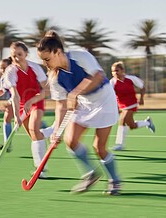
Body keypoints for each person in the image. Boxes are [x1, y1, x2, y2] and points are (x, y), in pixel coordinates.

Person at [37, 30, 121, 195]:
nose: (46, 64)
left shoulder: (80, 56)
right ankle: (91, 174)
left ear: (58, 52)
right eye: (43, 61)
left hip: (104, 100)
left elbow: (97, 76)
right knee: (70, 140)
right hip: (83, 104)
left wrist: (74, 94)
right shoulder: (54, 78)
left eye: (47, 59)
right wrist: (56, 130)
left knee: (99, 147)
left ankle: (114, 180)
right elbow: (61, 105)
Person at [3, 41, 50, 178]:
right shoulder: (10, 71)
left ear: (26, 54)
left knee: (34, 130)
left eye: (20, 54)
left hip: (36, 100)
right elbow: (15, 95)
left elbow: (46, 90)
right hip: (22, 104)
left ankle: (41, 170)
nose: (17, 58)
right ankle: (50, 133)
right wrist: (17, 116)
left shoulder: (35, 67)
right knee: (35, 136)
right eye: (13, 56)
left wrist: (32, 100)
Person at [110, 61, 155, 151]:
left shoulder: (131, 79)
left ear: (122, 70)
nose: (115, 73)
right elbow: (110, 95)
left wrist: (141, 98)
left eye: (117, 70)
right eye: (113, 71)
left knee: (122, 120)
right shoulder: (112, 82)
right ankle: (147, 123)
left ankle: (120, 144)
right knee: (132, 125)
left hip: (132, 103)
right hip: (122, 105)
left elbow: (142, 87)